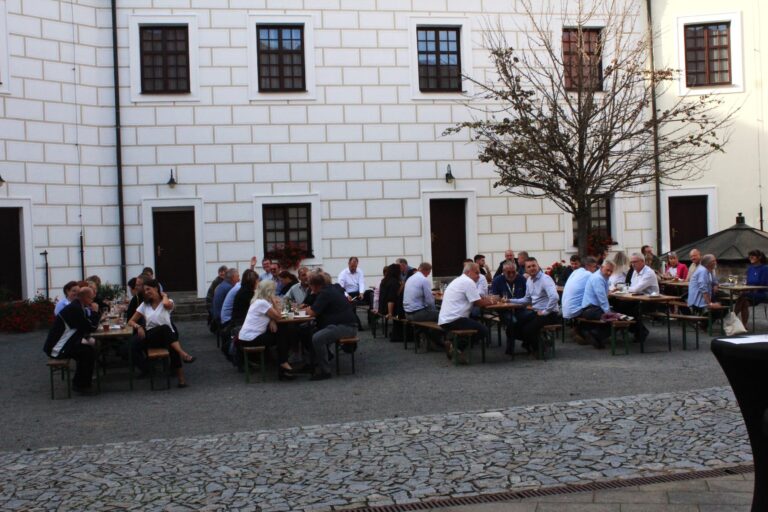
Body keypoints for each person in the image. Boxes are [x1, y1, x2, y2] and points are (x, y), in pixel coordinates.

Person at [127, 279, 195, 387]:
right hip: (151, 337)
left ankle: (181, 381)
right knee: (165, 329)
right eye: (145, 290)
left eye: (148, 289)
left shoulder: (168, 302)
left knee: (171, 342)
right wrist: (138, 326)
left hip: (166, 337)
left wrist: (164, 296)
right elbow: (131, 321)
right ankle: (183, 354)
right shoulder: (145, 305)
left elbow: (166, 304)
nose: (146, 292)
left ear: (156, 288)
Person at [43, 286, 100, 394]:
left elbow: (82, 327)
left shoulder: (77, 306)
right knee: (87, 352)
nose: (93, 301)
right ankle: (81, 385)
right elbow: (90, 327)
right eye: (92, 298)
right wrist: (95, 312)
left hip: (65, 343)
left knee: (88, 350)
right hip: (57, 348)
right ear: (85, 298)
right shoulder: (75, 309)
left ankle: (81, 382)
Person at [235, 280, 295, 380]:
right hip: (251, 339)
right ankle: (283, 363)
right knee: (282, 335)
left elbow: (273, 316)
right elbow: (279, 316)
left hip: (245, 337)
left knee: (281, 332)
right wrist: (274, 302)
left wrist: (272, 320)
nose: (275, 293)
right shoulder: (263, 303)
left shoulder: (257, 301)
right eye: (273, 291)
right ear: (269, 292)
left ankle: (283, 364)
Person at [303, 273, 359, 381]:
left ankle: (325, 371)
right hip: (343, 324)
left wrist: (307, 308)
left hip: (346, 326)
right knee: (309, 332)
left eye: (310, 286)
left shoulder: (325, 293)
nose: (310, 289)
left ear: (315, 286)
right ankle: (316, 362)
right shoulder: (329, 290)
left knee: (317, 338)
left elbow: (312, 312)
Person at [438, 262, 494, 362]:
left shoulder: (459, 280)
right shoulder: (468, 282)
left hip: (445, 319)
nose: (479, 276)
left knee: (472, 324)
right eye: (476, 273)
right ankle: (456, 347)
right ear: (468, 272)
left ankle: (454, 346)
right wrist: (492, 301)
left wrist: (484, 299)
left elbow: (475, 298)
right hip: (455, 319)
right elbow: (478, 303)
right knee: (483, 330)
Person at [509, 257, 561, 354]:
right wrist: (509, 300)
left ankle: (539, 349)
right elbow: (527, 299)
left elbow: (554, 297)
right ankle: (532, 343)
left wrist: (545, 311)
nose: (532, 268)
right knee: (514, 326)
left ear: (538, 266)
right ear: (525, 269)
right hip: (537, 312)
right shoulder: (529, 280)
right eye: (529, 267)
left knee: (528, 329)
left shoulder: (545, 279)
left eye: (534, 265)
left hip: (550, 314)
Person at [490, 262, 527, 354]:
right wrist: (499, 299)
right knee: (512, 321)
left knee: (531, 317)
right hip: (504, 310)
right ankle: (511, 347)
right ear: (503, 271)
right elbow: (494, 297)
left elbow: (528, 295)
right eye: (508, 272)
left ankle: (528, 342)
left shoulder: (522, 279)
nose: (511, 274)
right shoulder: (497, 280)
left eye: (513, 272)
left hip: (520, 308)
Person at [579, 260, 616, 348]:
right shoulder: (598, 278)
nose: (609, 273)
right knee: (616, 318)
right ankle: (596, 335)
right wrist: (609, 313)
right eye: (607, 270)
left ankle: (596, 336)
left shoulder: (602, 276)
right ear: (601, 267)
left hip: (591, 309)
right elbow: (602, 299)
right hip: (590, 310)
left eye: (611, 271)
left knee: (617, 315)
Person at [734, 250, 768, 325]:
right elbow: (747, 283)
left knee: (742, 297)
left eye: (753, 256)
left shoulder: (765, 268)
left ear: (759, 257)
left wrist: (748, 291)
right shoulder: (750, 268)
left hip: (762, 293)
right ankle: (744, 325)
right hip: (750, 293)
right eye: (750, 256)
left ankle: (732, 317)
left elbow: (764, 284)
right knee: (744, 302)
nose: (750, 257)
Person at [338, 256, 366, 329]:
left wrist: (361, 293)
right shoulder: (343, 273)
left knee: (370, 295)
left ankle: (371, 319)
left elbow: (361, 283)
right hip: (348, 293)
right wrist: (347, 295)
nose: (353, 268)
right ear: (348, 264)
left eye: (355, 266)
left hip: (357, 293)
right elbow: (341, 288)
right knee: (351, 306)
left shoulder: (360, 271)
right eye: (352, 266)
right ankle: (358, 324)